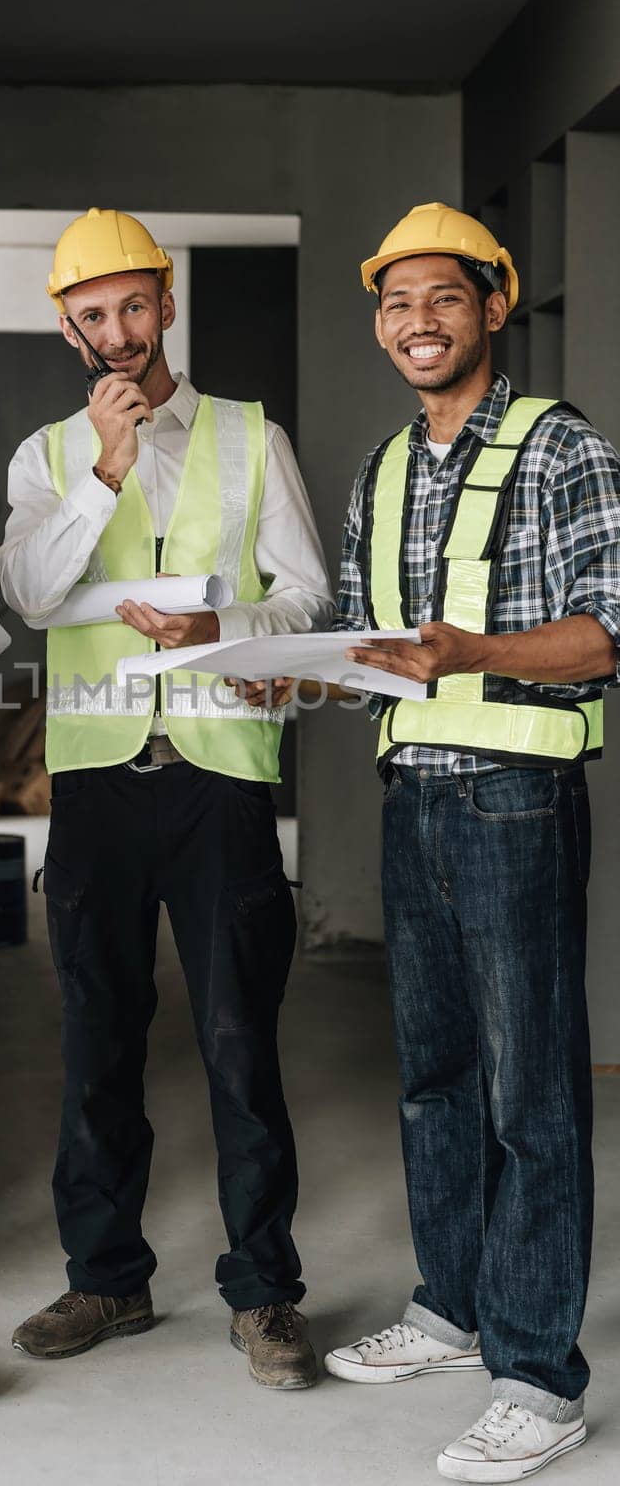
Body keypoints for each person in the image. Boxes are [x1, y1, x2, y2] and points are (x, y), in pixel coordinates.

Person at [0, 208, 334, 1389]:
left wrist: (221, 627)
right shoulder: (46, 455)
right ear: (68, 328)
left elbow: (304, 604)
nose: (118, 332)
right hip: (97, 780)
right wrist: (105, 468)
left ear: (167, 302)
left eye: (134, 306)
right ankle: (107, 1277)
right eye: (93, 315)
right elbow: (33, 595)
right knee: (96, 1041)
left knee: (241, 1040)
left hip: (222, 777)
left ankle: (266, 1291)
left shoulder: (251, 436)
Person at [324, 203, 620, 1481]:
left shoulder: (563, 450)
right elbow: (361, 640)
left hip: (517, 796)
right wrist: (261, 653)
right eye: (396, 304)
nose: (418, 323)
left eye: (444, 298)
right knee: (433, 1073)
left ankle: (541, 1375)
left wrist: (475, 653)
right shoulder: (384, 470)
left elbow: (607, 632)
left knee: (533, 1091)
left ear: (494, 308)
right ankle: (453, 1308)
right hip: (416, 796)